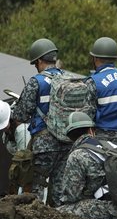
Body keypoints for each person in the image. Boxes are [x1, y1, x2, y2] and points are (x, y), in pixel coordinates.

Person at [10, 38, 72, 202]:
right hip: (67, 142)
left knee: (36, 187)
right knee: (59, 189)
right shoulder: (69, 79)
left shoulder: (36, 82)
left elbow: (21, 115)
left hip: (44, 143)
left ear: (38, 60)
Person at [53, 112, 117, 219]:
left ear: (70, 137)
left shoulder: (77, 155)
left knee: (59, 213)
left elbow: (71, 196)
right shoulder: (110, 146)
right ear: (91, 131)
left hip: (115, 210)